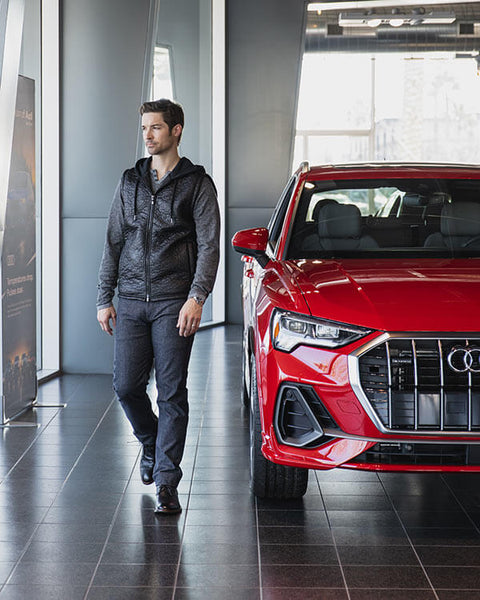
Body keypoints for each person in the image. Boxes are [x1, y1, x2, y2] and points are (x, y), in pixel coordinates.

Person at [96, 99, 220, 515]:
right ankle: (150, 441)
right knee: (126, 387)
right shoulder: (130, 181)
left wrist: (196, 298)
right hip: (130, 301)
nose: (147, 135)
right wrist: (104, 298)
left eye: (155, 128)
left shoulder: (197, 184)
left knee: (171, 393)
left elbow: (209, 247)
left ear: (177, 130)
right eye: (144, 128)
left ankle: (167, 482)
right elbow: (114, 240)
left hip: (173, 302)